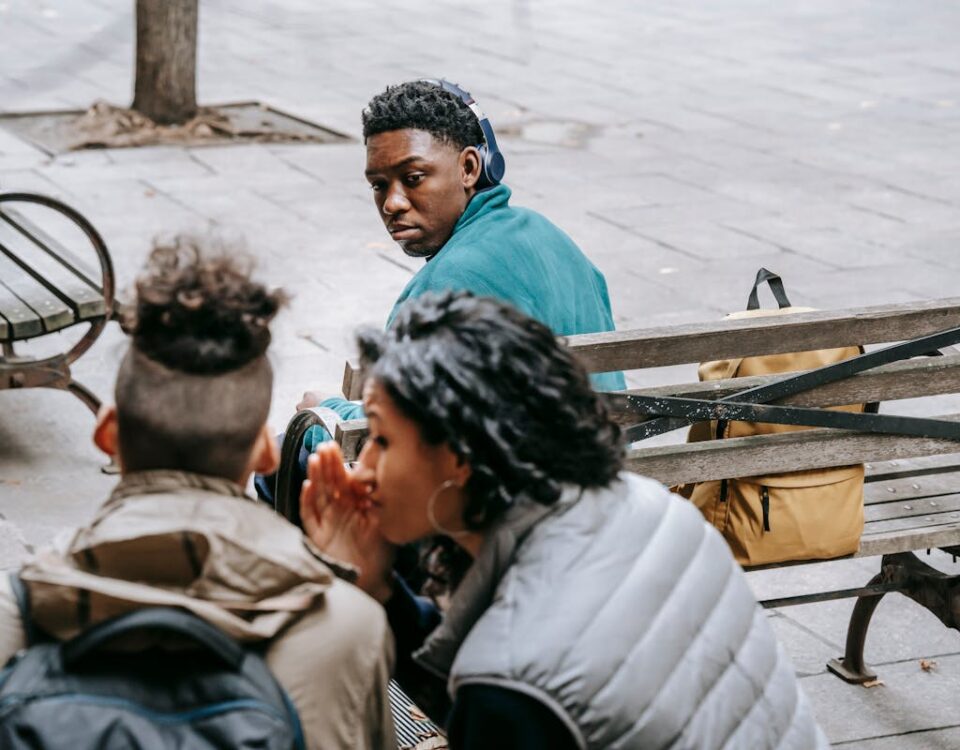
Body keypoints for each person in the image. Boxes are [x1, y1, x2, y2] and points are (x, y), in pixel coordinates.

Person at [299, 290, 828, 750]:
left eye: (382, 441)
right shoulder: (651, 506)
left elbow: (515, 695)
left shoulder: (513, 682)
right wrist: (378, 589)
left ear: (459, 456)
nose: (363, 468)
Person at [0, 238, 395, 750]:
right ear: (264, 453)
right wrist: (343, 581)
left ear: (108, 433)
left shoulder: (15, 615)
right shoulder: (345, 631)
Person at [259, 78, 625, 503]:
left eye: (413, 178)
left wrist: (326, 411)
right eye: (379, 185)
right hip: (604, 491)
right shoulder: (555, 241)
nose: (392, 203)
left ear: (470, 168)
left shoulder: (439, 292)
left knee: (287, 456)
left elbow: (401, 442)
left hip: (507, 508)